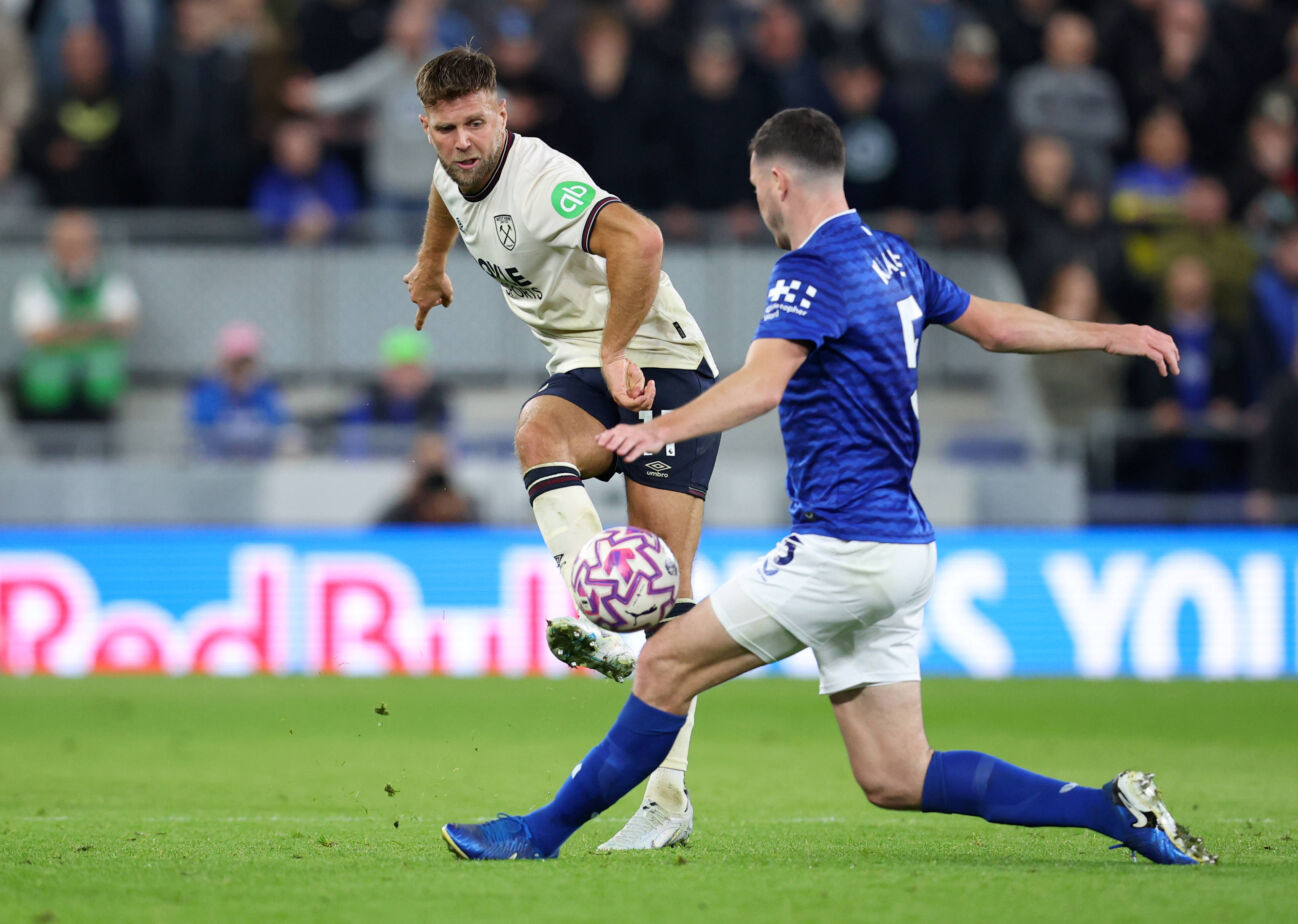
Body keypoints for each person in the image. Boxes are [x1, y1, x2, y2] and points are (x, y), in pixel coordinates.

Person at [440, 108, 1216, 867]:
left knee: (664, 660)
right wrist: (1108, 333)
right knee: (896, 774)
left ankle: (536, 834)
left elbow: (763, 383)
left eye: (756, 189)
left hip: (844, 545)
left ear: (779, 181)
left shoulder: (810, 270)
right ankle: (1111, 809)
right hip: (903, 549)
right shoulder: (893, 259)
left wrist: (660, 429)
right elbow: (996, 326)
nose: (759, 204)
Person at [402, 47, 721, 851]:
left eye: (477, 123)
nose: (463, 141)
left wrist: (615, 351)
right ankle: (598, 606)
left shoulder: (543, 183)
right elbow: (445, 195)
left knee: (669, 606)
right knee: (536, 431)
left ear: (504, 115)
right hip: (585, 365)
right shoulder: (453, 169)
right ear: (427, 127)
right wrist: (431, 263)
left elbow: (641, 242)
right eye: (446, 128)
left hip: (666, 368)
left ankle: (668, 800)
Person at [10, 210, 139, 454]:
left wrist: (64, 329)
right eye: (67, 243)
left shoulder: (113, 282)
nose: (74, 250)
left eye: (81, 243)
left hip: (97, 393)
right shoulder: (35, 285)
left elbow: (124, 324)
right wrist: (95, 326)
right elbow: (38, 334)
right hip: (48, 395)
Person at [338, 326, 450, 458]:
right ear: (384, 373)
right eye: (399, 371)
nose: (406, 379)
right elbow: (349, 453)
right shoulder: (365, 410)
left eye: (412, 370)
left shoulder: (440, 412)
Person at [189, 321, 291, 460]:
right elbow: (204, 426)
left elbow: (277, 423)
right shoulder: (207, 389)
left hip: (258, 463)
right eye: (235, 364)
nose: (241, 370)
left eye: (246, 363)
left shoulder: (265, 389)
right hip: (217, 464)